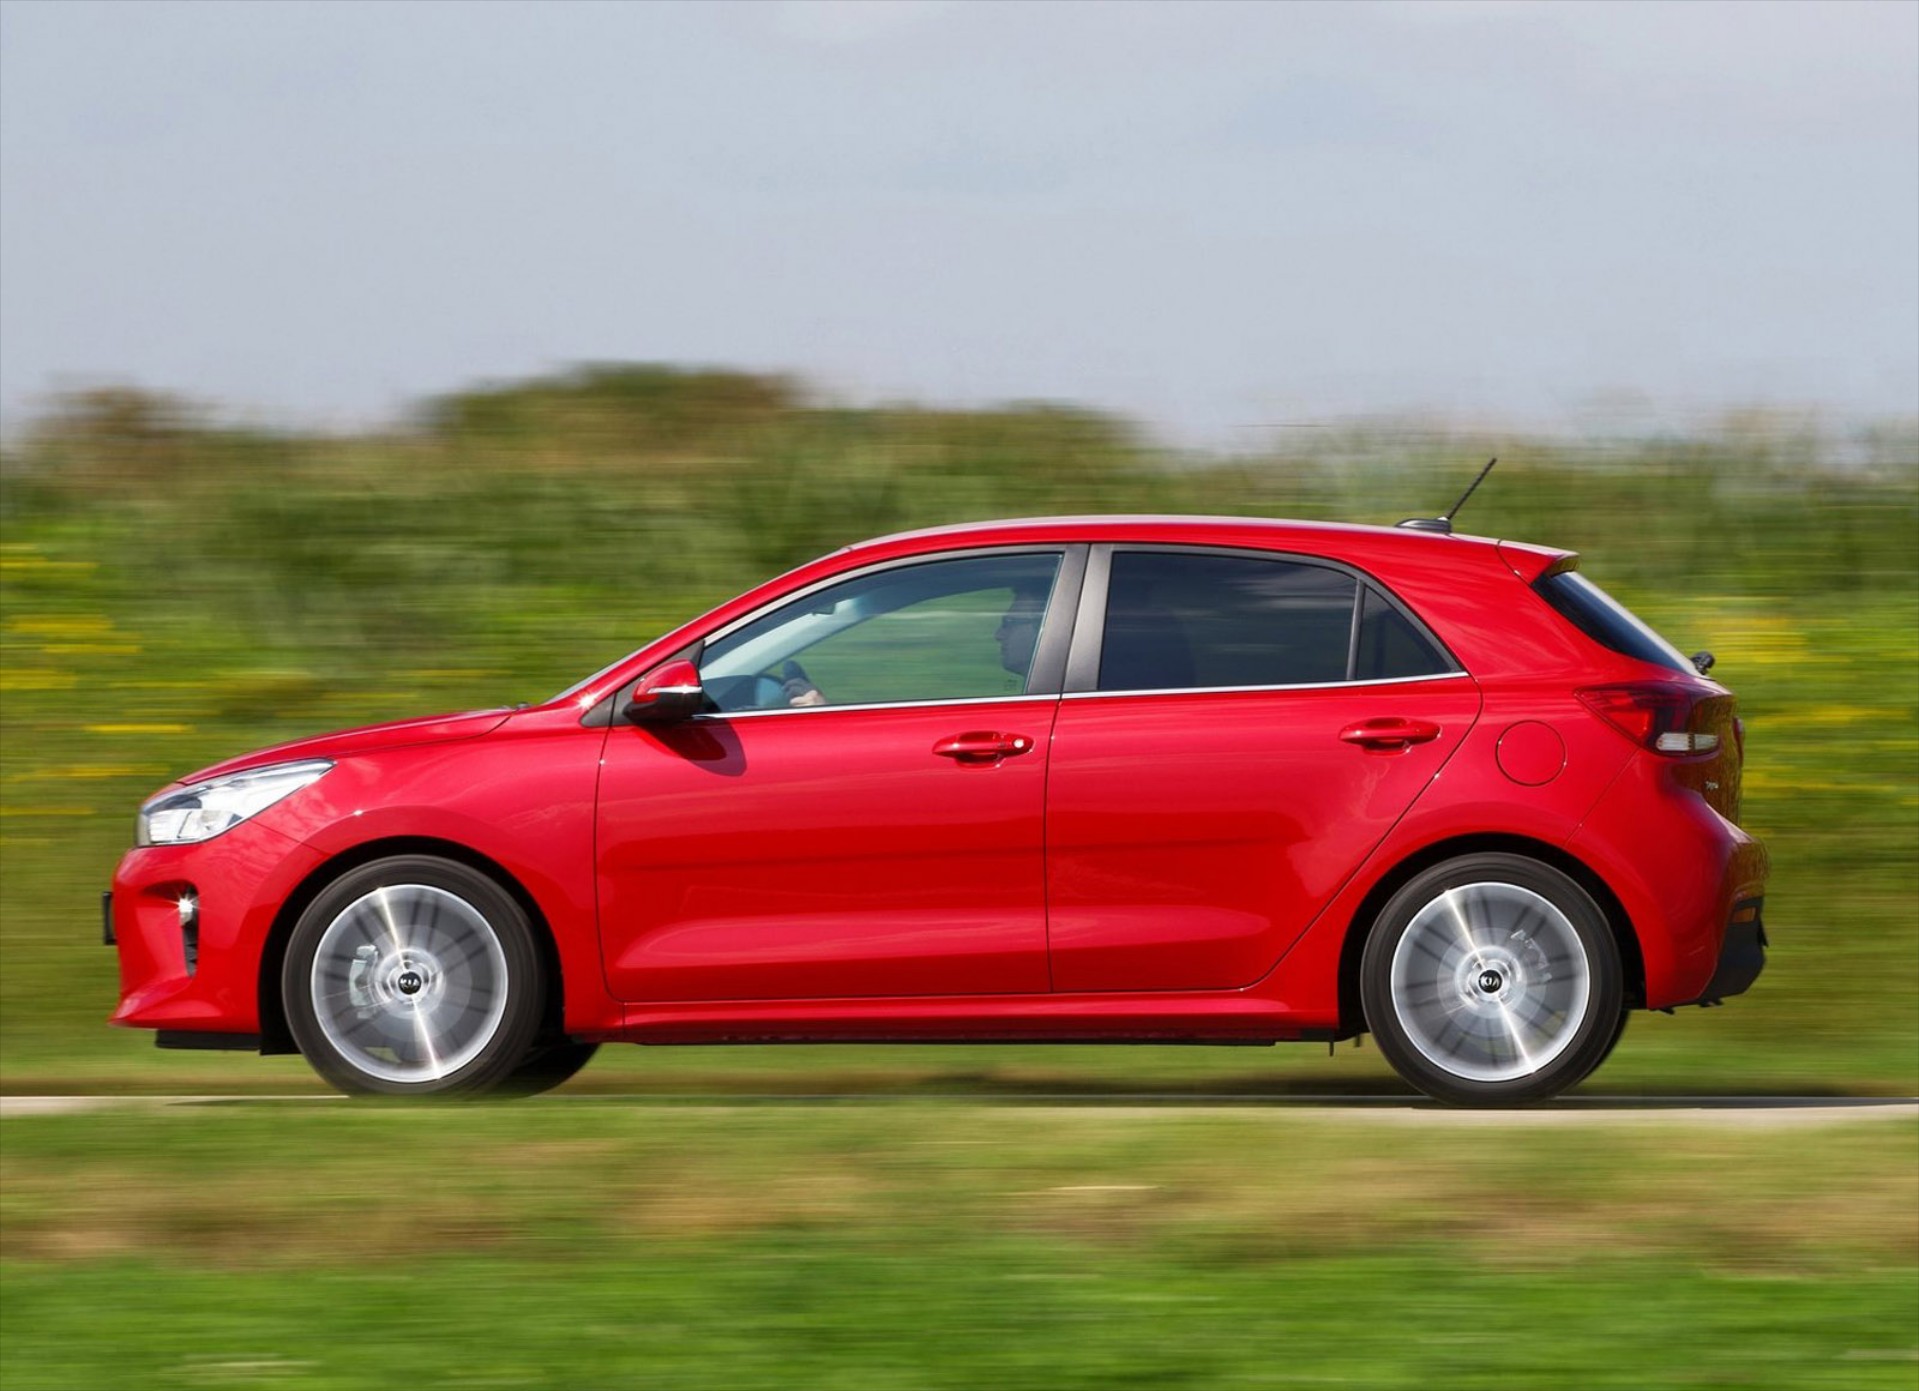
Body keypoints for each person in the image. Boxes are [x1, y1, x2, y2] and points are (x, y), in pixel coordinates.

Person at [778, 581, 1048, 708]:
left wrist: (824, 718)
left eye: (1010, 623)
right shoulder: (1035, 703)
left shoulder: (1041, 714)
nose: (998, 635)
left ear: (1045, 629)